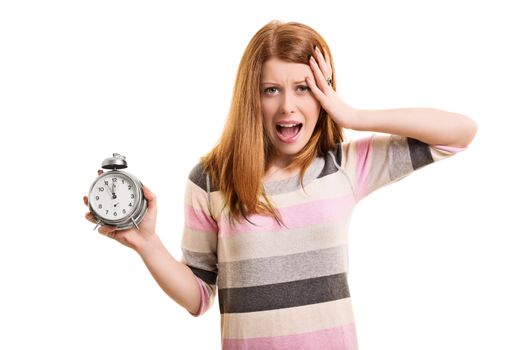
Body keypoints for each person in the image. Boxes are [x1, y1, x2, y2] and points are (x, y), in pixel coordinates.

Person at [84, 20, 477, 350]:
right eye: (272, 89)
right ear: (251, 98)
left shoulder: (342, 165)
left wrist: (353, 115)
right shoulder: (210, 178)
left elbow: (459, 134)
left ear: (323, 93)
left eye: (303, 88)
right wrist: (147, 245)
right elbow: (198, 298)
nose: (288, 105)